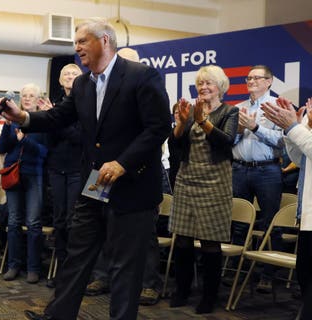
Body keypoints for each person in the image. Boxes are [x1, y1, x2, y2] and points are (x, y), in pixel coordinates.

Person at [0, 18, 171, 320]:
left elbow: (157, 129)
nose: (76, 47)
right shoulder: (82, 83)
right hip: (96, 182)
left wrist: (122, 163)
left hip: (134, 184)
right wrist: (23, 116)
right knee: (77, 254)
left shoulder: (142, 76)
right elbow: (57, 118)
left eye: (82, 41)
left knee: (124, 266)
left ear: (104, 41)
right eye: (75, 42)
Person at [85, 47, 165, 306]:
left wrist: (123, 162)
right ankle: (100, 275)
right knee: (95, 228)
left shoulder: (146, 85)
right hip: (99, 175)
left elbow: (155, 131)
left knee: (143, 237)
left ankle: (149, 284)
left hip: (134, 177)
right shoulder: (99, 89)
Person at [168, 65, 239, 314]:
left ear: (220, 87)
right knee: (183, 240)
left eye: (209, 83)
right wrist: (180, 122)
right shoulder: (190, 111)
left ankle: (209, 297)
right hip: (187, 179)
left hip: (215, 182)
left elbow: (226, 140)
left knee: (210, 243)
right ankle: (182, 291)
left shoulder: (230, 111)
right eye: (200, 84)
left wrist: (203, 122)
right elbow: (175, 142)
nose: (203, 87)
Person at [232, 65, 283, 293]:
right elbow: (227, 141)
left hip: (267, 171)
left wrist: (255, 127)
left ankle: (268, 274)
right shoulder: (238, 108)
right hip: (239, 169)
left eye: (257, 77)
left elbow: (283, 141)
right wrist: (239, 131)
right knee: (238, 222)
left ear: (269, 81)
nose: (251, 81)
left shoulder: (278, 106)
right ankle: (236, 270)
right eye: (248, 78)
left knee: (271, 224)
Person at [261, 96, 312, 320]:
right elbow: (300, 159)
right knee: (305, 277)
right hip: (308, 215)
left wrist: (292, 126)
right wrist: (292, 129)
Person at [0, 83, 48, 284]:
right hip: (13, 174)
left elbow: (45, 153)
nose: (27, 98)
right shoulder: (12, 119)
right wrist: (10, 129)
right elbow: (2, 147)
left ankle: (33, 268)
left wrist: (24, 140)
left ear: (38, 100)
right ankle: (13, 265)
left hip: (33, 174)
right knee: (13, 222)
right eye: (24, 95)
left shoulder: (44, 122)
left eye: (31, 96)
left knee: (34, 223)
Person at [37, 64, 82, 288]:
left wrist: (55, 120)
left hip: (77, 170)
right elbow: (49, 140)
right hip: (56, 169)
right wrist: (49, 119)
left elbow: (78, 137)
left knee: (75, 223)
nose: (70, 77)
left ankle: (76, 274)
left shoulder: (86, 104)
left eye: (75, 74)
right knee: (60, 222)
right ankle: (63, 272)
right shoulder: (54, 106)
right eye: (67, 74)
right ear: (60, 80)